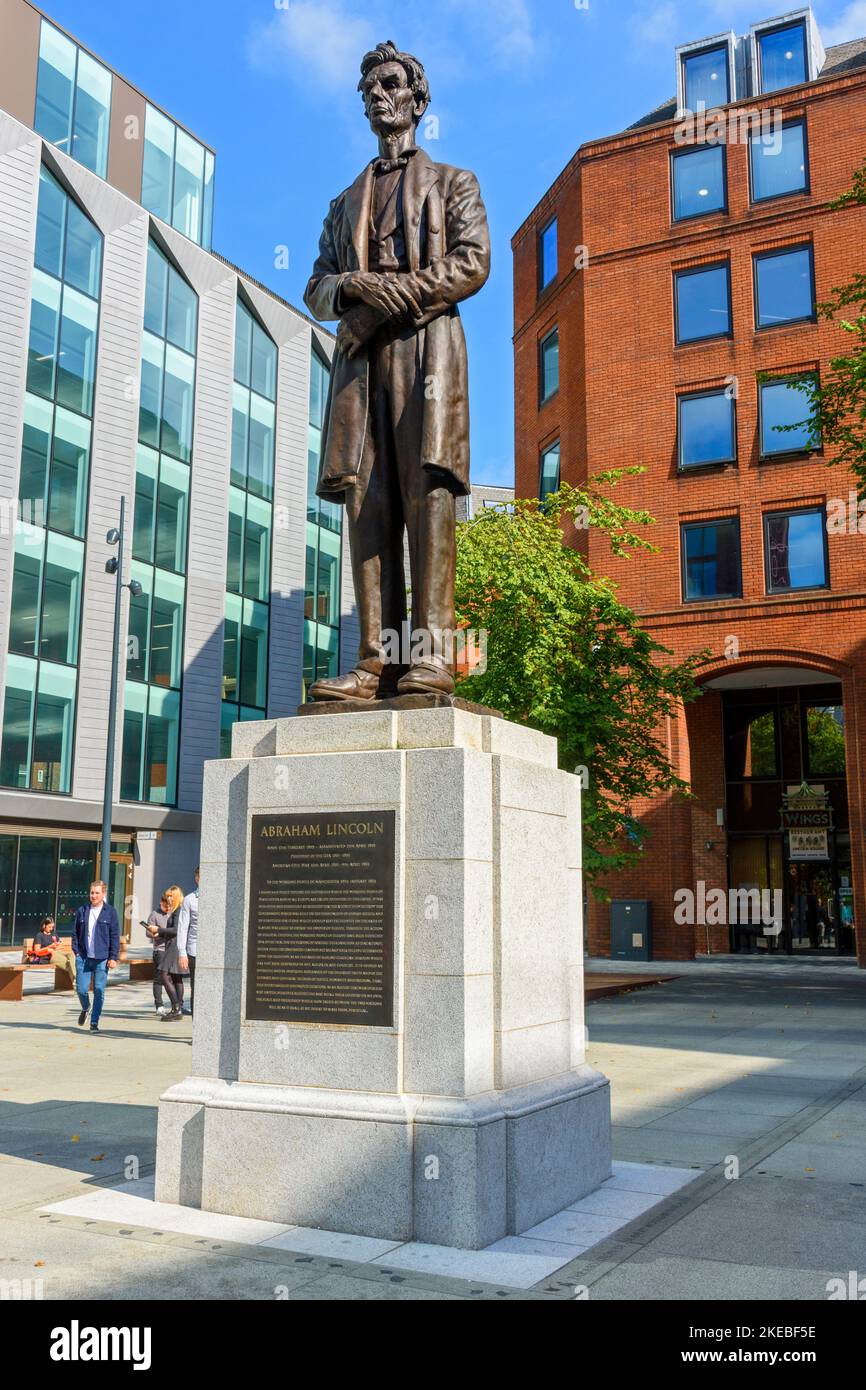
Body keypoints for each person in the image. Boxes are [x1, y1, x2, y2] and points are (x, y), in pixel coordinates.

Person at [304, 39, 490, 701]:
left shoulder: (454, 182)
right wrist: (353, 284)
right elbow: (317, 287)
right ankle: (376, 661)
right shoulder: (343, 204)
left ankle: (431, 656)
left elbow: (471, 263)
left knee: (427, 497)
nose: (377, 96)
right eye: (368, 90)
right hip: (361, 369)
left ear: (417, 97)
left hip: (425, 352)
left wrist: (385, 302)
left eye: (389, 84)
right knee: (368, 502)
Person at [71, 882, 120, 1033]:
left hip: (102, 958)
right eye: (92, 892)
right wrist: (77, 952)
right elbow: (75, 933)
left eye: (97, 893)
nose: (93, 896)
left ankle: (94, 1022)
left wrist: (113, 957)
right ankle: (86, 1007)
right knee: (81, 989)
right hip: (84, 957)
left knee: (99, 990)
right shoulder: (82, 910)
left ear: (103, 894)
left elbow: (114, 936)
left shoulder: (110, 912)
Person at [155, 886, 187, 1023]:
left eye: (171, 896)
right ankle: (178, 1008)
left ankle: (176, 1006)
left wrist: (159, 930)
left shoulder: (178, 910)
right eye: (167, 896)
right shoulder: (177, 910)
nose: (168, 898)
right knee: (176, 977)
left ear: (177, 897)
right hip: (174, 945)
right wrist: (160, 933)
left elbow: (176, 930)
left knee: (164, 975)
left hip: (174, 947)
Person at [27, 916, 76, 986]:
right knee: (68, 963)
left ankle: (76, 979)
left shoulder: (54, 934)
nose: (51, 929)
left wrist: (57, 945)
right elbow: (37, 951)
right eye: (49, 927)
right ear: (44, 925)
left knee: (71, 954)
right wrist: (50, 946)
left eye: (52, 927)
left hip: (58, 952)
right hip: (48, 956)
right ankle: (76, 980)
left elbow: (60, 944)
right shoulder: (39, 935)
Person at [144, 895, 171, 1017]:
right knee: (159, 978)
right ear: (161, 903)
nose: (168, 908)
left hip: (172, 950)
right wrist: (157, 934)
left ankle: (177, 1004)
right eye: (166, 906)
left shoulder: (173, 914)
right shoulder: (154, 914)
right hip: (160, 950)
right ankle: (159, 1005)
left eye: (169, 906)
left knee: (173, 978)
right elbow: (148, 932)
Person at [177, 868, 199, 1018]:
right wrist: (182, 952)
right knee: (196, 989)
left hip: (214, 952)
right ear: (197, 878)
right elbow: (183, 927)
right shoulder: (190, 900)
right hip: (194, 950)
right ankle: (196, 1025)